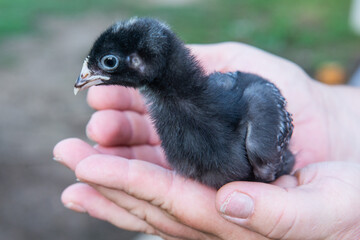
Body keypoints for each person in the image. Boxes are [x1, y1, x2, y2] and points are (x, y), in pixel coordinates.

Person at [53, 42, 360, 240]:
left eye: (106, 62)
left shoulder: (258, 124)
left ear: (141, 60)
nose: (84, 77)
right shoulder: (175, 110)